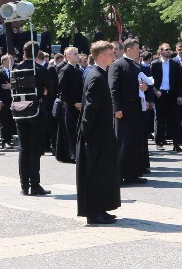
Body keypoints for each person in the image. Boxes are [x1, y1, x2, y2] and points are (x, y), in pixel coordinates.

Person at [77, 41, 121, 225]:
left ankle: (101, 208)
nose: (114, 56)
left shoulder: (100, 73)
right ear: (101, 56)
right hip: (96, 134)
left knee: (103, 172)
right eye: (111, 53)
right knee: (95, 173)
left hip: (102, 132)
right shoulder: (96, 77)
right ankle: (94, 213)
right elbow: (90, 109)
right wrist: (86, 133)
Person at [12, 41, 54, 196]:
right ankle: (35, 185)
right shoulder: (38, 69)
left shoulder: (15, 68)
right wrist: (43, 92)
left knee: (24, 149)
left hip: (18, 110)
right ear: (37, 53)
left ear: (24, 52)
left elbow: (14, 86)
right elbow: (51, 90)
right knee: (34, 149)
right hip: (35, 111)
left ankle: (24, 185)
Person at [110, 39, 149, 184]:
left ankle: (133, 174)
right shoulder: (117, 65)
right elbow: (113, 88)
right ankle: (118, 175)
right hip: (123, 109)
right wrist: (116, 108)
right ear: (128, 49)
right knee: (123, 142)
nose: (139, 51)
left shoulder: (137, 66)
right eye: (137, 48)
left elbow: (141, 85)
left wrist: (145, 87)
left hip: (136, 108)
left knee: (135, 141)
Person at [151, 43, 182, 152]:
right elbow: (150, 81)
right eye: (166, 49)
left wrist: (179, 95)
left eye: (170, 49)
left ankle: (176, 143)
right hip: (160, 94)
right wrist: (155, 91)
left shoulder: (175, 64)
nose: (169, 51)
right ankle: (159, 142)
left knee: (174, 119)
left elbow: (179, 81)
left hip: (172, 94)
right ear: (160, 51)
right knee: (160, 119)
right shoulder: (155, 64)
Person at [55, 47, 84, 162]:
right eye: (75, 54)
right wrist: (74, 103)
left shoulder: (77, 70)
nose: (78, 56)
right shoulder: (65, 70)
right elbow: (62, 91)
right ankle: (72, 155)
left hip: (79, 104)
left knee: (75, 130)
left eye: (78, 53)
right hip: (69, 106)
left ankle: (74, 153)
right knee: (70, 131)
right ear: (67, 56)